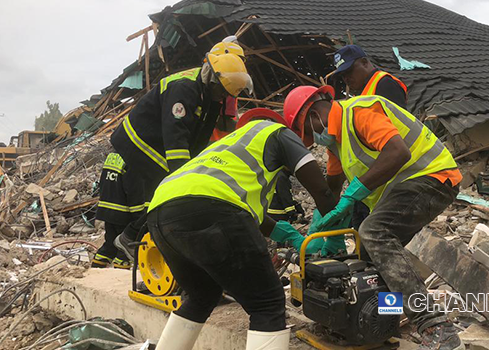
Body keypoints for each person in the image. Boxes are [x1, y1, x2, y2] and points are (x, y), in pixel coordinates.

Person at [282, 85, 465, 350]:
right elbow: (331, 189)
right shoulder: (336, 144)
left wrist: (353, 194)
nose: (314, 138)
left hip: (433, 176)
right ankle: (379, 324)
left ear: (312, 116)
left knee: (374, 232)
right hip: (406, 188)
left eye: (309, 132)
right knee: (367, 258)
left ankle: (436, 326)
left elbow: (398, 152)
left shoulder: (359, 111)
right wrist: (321, 230)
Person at [146, 111, 339, 349]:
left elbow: (239, 208)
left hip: (160, 210)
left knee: (201, 296)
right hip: (212, 207)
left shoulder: (226, 149)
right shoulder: (280, 133)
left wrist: (287, 235)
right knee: (267, 303)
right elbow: (323, 191)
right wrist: (336, 236)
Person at [110, 52, 253, 260]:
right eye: (221, 92)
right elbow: (175, 134)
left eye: (226, 94)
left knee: (170, 193)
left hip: (158, 141)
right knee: (169, 192)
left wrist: (197, 167)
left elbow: (200, 135)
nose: (223, 97)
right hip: (139, 140)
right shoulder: (183, 88)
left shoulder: (211, 93)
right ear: (212, 79)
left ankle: (143, 238)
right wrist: (182, 176)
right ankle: (131, 238)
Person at [332, 44, 409, 230]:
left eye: (350, 71)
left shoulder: (384, 84)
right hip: (373, 180)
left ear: (365, 62)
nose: (347, 78)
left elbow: (396, 135)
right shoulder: (363, 94)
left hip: (389, 174)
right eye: (343, 75)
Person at [91, 152, 144, 269]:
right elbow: (134, 190)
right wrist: (139, 215)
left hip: (107, 209)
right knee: (125, 247)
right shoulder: (132, 158)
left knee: (110, 244)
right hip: (123, 212)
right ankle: (120, 271)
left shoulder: (113, 155)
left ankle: (96, 267)